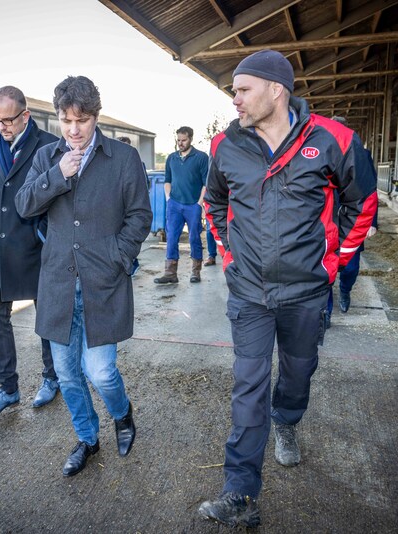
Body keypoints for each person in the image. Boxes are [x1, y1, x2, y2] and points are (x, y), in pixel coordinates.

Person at [198, 50, 378, 527]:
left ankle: (289, 421)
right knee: (248, 385)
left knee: (297, 375)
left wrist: (334, 263)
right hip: (250, 294)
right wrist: (230, 254)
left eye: (242, 90)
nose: (234, 99)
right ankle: (240, 491)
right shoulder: (225, 146)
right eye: (233, 91)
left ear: (276, 89)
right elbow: (213, 202)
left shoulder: (334, 139)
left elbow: (363, 203)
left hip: (306, 294)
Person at [15, 76, 151, 477]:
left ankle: (122, 416)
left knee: (101, 370)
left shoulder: (123, 159)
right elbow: (24, 205)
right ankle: (88, 439)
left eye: (83, 120)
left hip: (103, 280)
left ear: (96, 116)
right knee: (68, 373)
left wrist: (118, 256)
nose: (74, 130)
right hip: (57, 281)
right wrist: (57, 174)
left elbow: (140, 215)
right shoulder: (46, 156)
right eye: (66, 120)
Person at [0, 86, 60, 418]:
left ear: (25, 115)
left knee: (46, 317)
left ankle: (51, 379)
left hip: (36, 248)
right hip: (0, 249)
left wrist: (46, 237)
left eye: (7, 120)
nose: (1, 127)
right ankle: (8, 389)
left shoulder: (50, 146)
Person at [323, 116, 379, 329]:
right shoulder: (318, 153)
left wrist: (371, 222)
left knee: (350, 268)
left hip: (351, 220)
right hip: (325, 219)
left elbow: (368, 191)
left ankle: (345, 290)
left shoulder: (361, 155)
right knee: (323, 268)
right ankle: (325, 312)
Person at [153, 126, 210, 284]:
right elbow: (167, 180)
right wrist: (168, 199)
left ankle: (195, 272)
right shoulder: (171, 158)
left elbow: (206, 183)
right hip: (175, 204)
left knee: (194, 238)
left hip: (193, 204)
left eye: (183, 140)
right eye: (178, 140)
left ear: (191, 138)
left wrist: (199, 204)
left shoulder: (201, 157)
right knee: (171, 237)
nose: (180, 143)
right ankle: (170, 273)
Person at [117, 135, 148, 277]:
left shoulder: (137, 164)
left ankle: (130, 262)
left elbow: (143, 185)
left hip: (130, 208)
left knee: (129, 235)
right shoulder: (110, 165)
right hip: (116, 211)